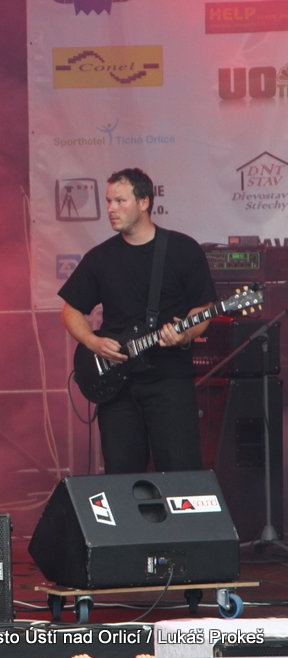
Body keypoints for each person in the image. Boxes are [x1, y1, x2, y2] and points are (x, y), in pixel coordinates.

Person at [59, 167, 217, 474]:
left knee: (180, 472)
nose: (111, 209)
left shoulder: (182, 249)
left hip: (170, 382)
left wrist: (185, 335)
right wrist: (92, 341)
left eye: (120, 201)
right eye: (108, 201)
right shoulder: (100, 257)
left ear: (144, 202)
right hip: (118, 387)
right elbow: (70, 310)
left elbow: (203, 308)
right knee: (122, 476)